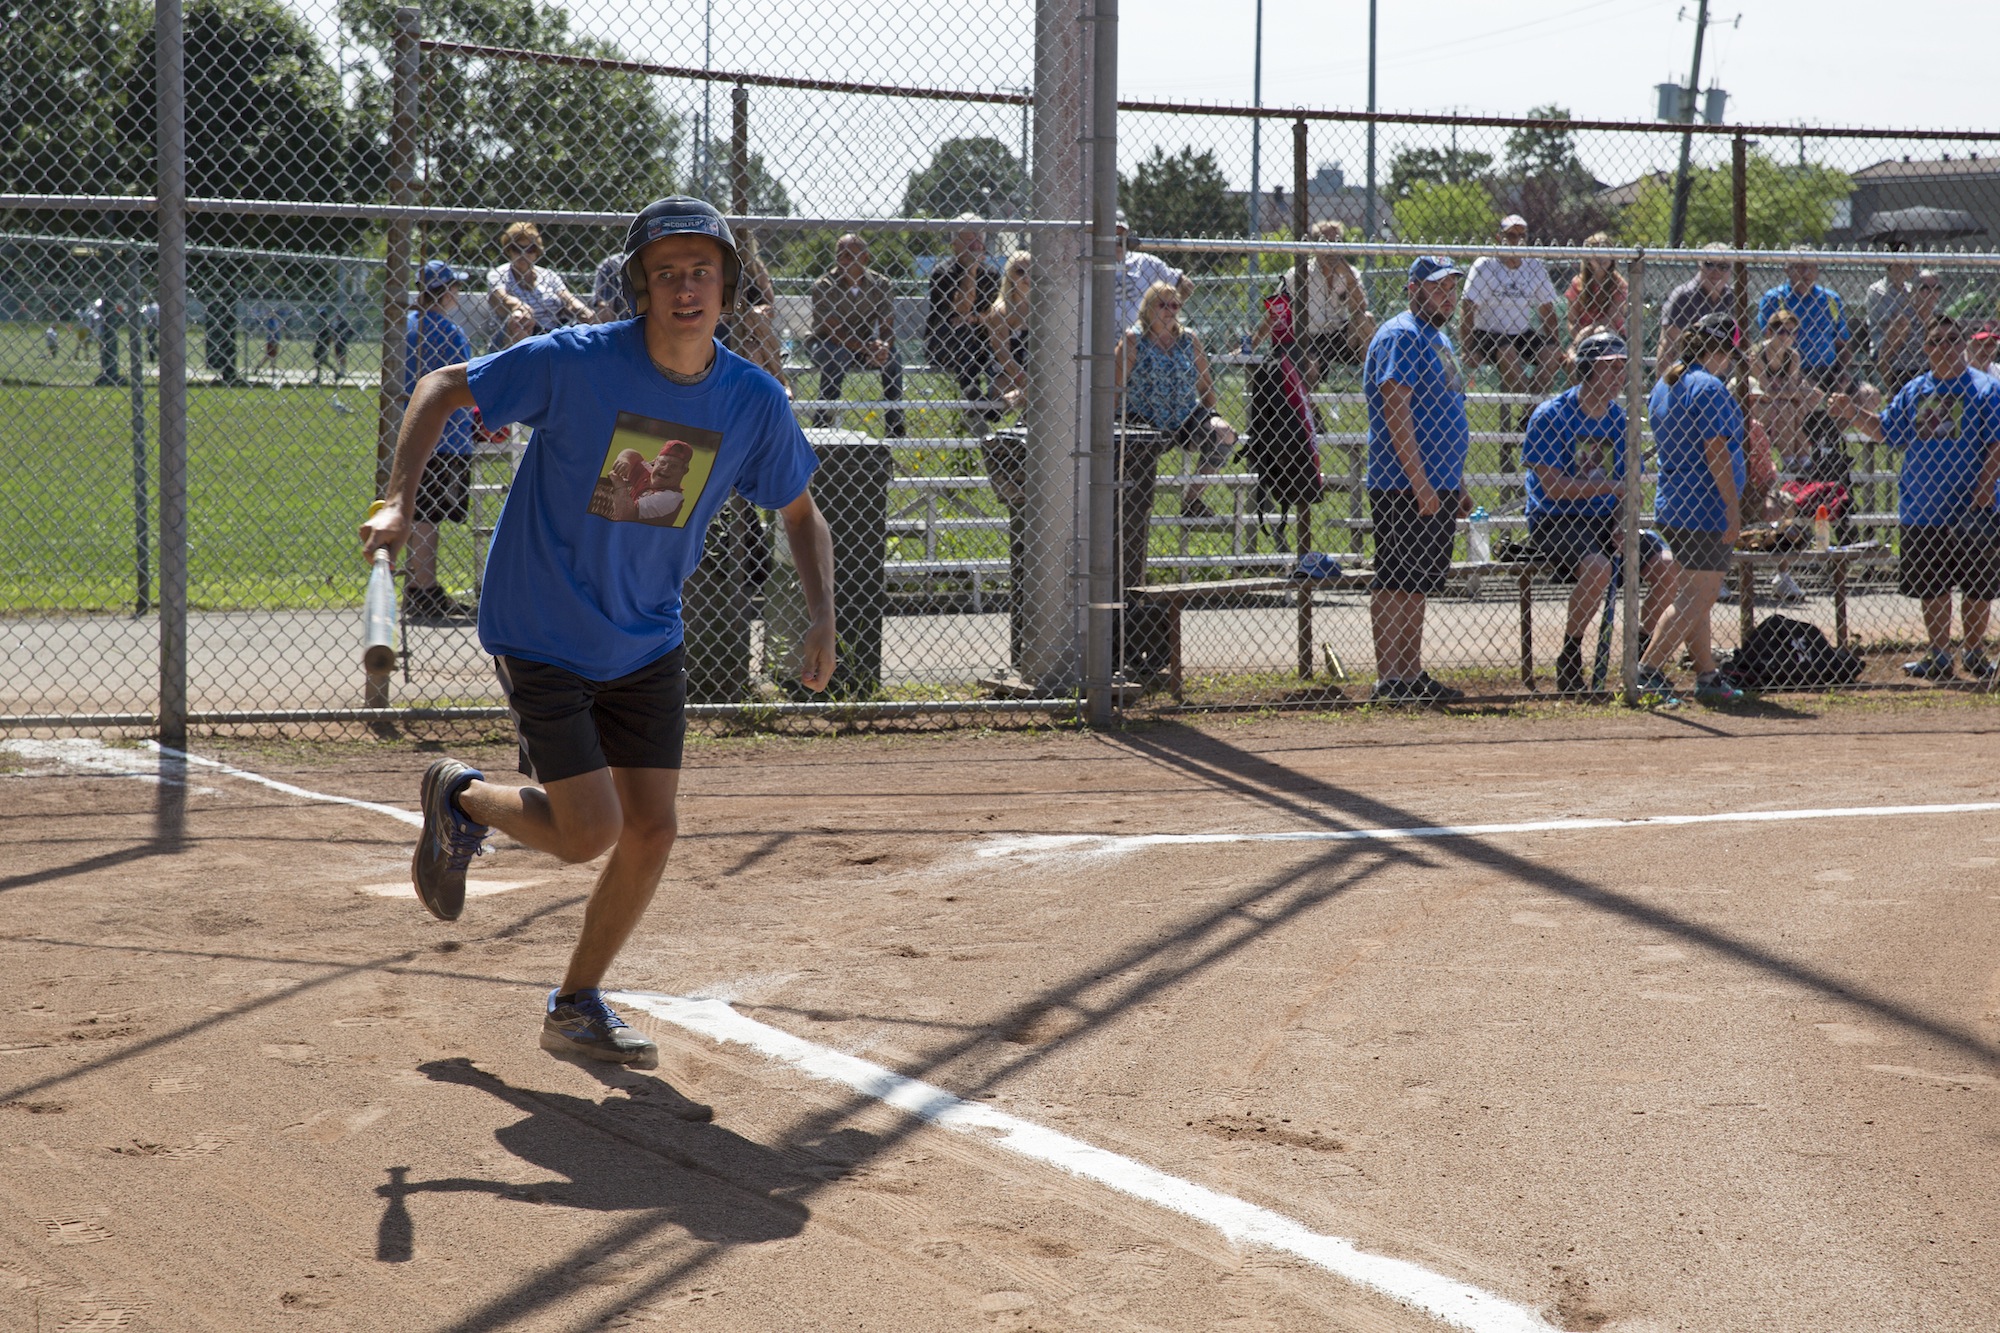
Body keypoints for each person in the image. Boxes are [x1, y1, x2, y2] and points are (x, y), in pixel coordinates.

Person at [359, 197, 836, 1073]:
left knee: (651, 828)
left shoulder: (752, 400)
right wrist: (397, 495)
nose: (685, 288)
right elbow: (440, 388)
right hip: (541, 618)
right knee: (588, 832)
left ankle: (576, 1002)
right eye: (666, 273)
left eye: (702, 271)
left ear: (726, 286)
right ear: (640, 287)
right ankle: (459, 797)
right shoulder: (578, 361)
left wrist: (820, 615)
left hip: (645, 632)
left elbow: (801, 513)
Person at [1841, 315, 2000, 681]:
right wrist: (1851, 413)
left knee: (1978, 585)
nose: (1943, 347)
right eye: (1935, 341)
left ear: (1963, 345)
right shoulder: (1916, 390)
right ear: (1926, 348)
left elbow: (1996, 444)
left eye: (1950, 340)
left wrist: (1985, 489)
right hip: (1923, 506)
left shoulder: (1985, 388)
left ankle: (1975, 653)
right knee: (1933, 585)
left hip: (1971, 506)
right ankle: (1940, 654)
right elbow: (1885, 430)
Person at [1522, 330, 1678, 694]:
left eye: (1622, 368)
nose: (1618, 376)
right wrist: (1610, 488)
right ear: (1587, 369)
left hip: (1608, 520)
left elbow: (1632, 491)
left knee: (1667, 565)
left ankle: (1639, 658)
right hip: (1557, 520)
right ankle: (1570, 652)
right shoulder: (1551, 416)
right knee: (1598, 567)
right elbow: (1553, 487)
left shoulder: (1621, 422)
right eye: (1609, 368)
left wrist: (1622, 523)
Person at [1364, 256, 1471, 704]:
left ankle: (1409, 675)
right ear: (1413, 289)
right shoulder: (1402, 335)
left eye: (1451, 288)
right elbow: (1396, 409)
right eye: (1437, 287)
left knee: (1418, 581)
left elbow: (1445, 410)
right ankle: (1390, 680)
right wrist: (1421, 482)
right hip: (1404, 483)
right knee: (1395, 579)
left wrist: (1454, 483)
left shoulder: (1436, 335)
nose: (1447, 295)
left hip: (1437, 482)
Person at [1637, 313, 1747, 706]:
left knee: (1693, 595)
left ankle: (1706, 675)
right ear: (1722, 349)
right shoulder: (1709, 386)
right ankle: (1646, 673)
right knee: (1696, 598)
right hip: (1705, 508)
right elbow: (1716, 452)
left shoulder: (1668, 382)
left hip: (1676, 502)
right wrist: (1733, 511)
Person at [1116, 280, 1237, 524]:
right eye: (1163, 305)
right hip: (1142, 420)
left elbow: (1206, 386)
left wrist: (1210, 416)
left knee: (1225, 434)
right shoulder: (1133, 340)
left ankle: (1191, 499)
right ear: (1149, 307)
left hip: (1184, 417)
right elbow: (1114, 388)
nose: (1170, 310)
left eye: (1175, 305)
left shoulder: (1188, 339)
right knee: (1138, 489)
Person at [400, 261, 481, 623]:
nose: (457, 295)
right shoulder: (450, 331)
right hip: (447, 437)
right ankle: (423, 588)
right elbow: (470, 383)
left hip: (410, 432)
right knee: (428, 515)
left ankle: (420, 585)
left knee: (418, 510)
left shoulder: (404, 328)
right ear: (445, 292)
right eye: (455, 289)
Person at [1459, 214, 1560, 433]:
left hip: (1520, 331)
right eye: (1511, 236)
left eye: (1522, 236)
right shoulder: (1485, 265)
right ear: (1500, 238)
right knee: (1506, 351)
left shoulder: (1534, 265)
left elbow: (1546, 309)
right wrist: (1467, 348)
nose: (1517, 241)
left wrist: (1556, 344)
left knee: (1550, 354)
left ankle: (1529, 417)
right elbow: (1468, 307)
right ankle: (1536, 415)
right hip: (1487, 331)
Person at [1252, 220, 1373, 386]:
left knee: (1366, 318)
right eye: (1325, 242)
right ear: (1315, 247)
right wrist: (1253, 344)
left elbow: (1360, 308)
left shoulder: (1349, 273)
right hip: (1309, 336)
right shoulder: (1300, 274)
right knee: (1309, 364)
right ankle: (1309, 408)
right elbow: (1276, 311)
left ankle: (1372, 379)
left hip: (1339, 333)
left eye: (1336, 242)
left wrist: (1349, 278)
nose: (1331, 249)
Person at [811, 233, 903, 435]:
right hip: (825, 343)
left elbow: (887, 326)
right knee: (838, 354)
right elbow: (834, 331)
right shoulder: (825, 285)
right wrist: (867, 348)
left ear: (864, 258)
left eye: (850, 256)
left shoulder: (880, 284)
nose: (843, 260)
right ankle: (823, 420)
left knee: (894, 356)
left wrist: (883, 347)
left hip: (865, 344)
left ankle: (895, 422)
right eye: (840, 255)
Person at [925, 216, 1001, 432]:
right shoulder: (943, 272)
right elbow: (961, 310)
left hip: (983, 344)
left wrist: (976, 318)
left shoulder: (993, 274)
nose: (976, 245)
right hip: (944, 344)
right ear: (954, 243)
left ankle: (981, 410)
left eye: (979, 239)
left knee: (975, 333)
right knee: (964, 331)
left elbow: (993, 315)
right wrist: (970, 270)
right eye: (969, 240)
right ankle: (976, 405)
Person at [1757, 249, 1856, 394]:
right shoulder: (1775, 299)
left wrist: (1842, 373)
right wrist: (1796, 376)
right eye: (1800, 267)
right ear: (1787, 269)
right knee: (1810, 394)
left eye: (1812, 267)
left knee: (1868, 394)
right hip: (1788, 370)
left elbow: (1842, 342)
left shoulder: (1830, 300)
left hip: (1828, 371)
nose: (1807, 272)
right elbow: (1769, 341)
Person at [487, 221, 592, 334]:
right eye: (517, 248)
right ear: (508, 250)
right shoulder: (498, 274)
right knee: (520, 318)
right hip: (515, 335)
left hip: (552, 333)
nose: (523, 254)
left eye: (530, 249)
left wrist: (584, 311)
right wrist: (519, 306)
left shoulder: (549, 276)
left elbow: (568, 300)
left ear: (537, 251)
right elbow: (501, 298)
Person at [1749, 308, 1816, 470]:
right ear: (1769, 332)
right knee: (1789, 406)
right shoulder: (1757, 354)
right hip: (1758, 407)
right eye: (1781, 332)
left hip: (1782, 406)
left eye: (1792, 333)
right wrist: (1787, 394)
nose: (1786, 337)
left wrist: (1787, 394)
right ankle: (1792, 460)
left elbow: (1792, 391)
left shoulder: (1793, 356)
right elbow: (1764, 392)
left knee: (1798, 407)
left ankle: (1801, 459)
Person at [1112, 208, 1193, 337]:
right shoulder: (1088, 262)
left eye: (1120, 233)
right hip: (1098, 339)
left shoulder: (1144, 262)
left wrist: (1167, 312)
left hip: (1139, 340)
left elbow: (1186, 285)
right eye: (1112, 232)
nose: (1117, 237)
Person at [1658, 241, 1736, 369]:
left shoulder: (1733, 298)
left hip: (1725, 375)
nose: (1716, 272)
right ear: (1699, 265)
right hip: (1689, 373)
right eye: (1709, 265)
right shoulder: (1684, 297)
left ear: (1730, 270)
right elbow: (1668, 345)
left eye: (1723, 267)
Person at [1867, 255, 1922, 391]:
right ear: (1893, 265)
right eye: (1907, 264)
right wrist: (1908, 301)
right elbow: (1891, 323)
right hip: (1888, 345)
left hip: (1914, 344)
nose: (1912, 268)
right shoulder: (1877, 290)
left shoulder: (1911, 289)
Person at [986, 249, 1032, 412]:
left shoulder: (1042, 308)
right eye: (1020, 272)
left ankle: (1022, 396)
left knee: (1045, 386)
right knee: (1042, 389)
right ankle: (1027, 393)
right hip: (1006, 373)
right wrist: (1022, 378)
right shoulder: (1000, 310)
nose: (1027, 277)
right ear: (1010, 275)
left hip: (1036, 373)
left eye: (1032, 271)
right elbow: (1002, 353)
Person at [1564, 232, 1627, 340]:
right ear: (1588, 258)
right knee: (1571, 357)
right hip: (1583, 336)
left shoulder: (1619, 284)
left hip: (1612, 335)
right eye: (1596, 253)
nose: (1601, 258)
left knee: (1601, 330)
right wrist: (1578, 337)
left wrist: (1590, 329)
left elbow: (1612, 318)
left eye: (1605, 252)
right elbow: (1572, 320)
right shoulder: (1578, 283)